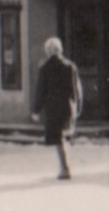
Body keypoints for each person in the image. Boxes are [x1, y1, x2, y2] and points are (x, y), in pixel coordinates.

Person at [30, 37, 82, 180]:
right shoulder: (70, 66)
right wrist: (77, 108)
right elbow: (76, 90)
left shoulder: (45, 68)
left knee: (59, 140)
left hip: (53, 109)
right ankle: (65, 167)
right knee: (63, 138)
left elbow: (41, 91)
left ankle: (65, 168)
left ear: (48, 51)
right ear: (60, 50)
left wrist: (35, 110)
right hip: (68, 107)